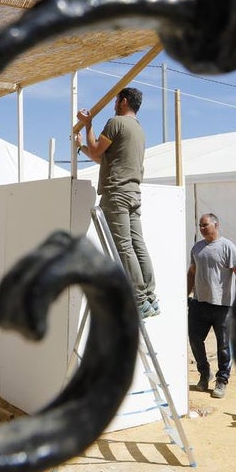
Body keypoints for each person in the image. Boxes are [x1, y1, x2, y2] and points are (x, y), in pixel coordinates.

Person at [76, 87, 160, 318]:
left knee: (124, 247)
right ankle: (150, 297)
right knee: (137, 245)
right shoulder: (139, 129)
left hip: (117, 193)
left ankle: (139, 299)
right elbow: (98, 154)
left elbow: (95, 153)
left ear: (123, 101)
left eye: (115, 100)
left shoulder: (116, 123)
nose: (113, 104)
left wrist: (88, 123)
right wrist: (80, 146)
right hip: (133, 192)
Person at [187, 213, 236, 399]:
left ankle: (222, 380)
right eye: (200, 225)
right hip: (199, 304)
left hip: (222, 306)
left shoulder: (228, 247)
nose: (202, 228)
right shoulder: (197, 248)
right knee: (195, 340)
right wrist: (185, 295)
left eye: (205, 225)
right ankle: (205, 373)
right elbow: (191, 273)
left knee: (224, 346)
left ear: (216, 225)